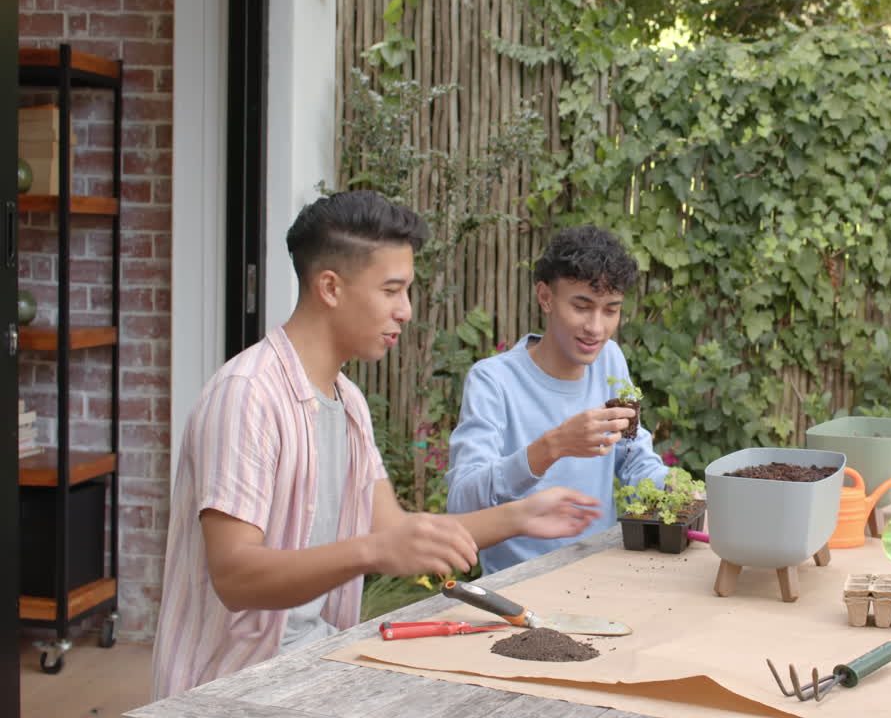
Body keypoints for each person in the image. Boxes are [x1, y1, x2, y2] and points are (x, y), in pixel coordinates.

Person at [151, 191, 600, 699]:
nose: (405, 311)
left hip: (314, 661)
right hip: (232, 689)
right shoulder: (248, 396)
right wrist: (370, 552)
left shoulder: (348, 402)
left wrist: (519, 517)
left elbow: (395, 532)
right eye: (392, 290)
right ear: (330, 287)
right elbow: (234, 576)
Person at [445, 226, 669, 574]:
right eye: (582, 306)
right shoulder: (493, 380)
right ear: (545, 297)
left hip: (601, 573)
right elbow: (462, 502)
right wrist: (553, 446)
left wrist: (682, 493)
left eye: (611, 310)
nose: (596, 327)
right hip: (517, 589)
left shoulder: (610, 360)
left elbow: (635, 457)